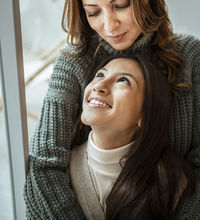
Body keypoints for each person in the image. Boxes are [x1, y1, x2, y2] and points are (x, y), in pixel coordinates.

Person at [24, 0, 200, 219]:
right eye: (93, 12)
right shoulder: (74, 61)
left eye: (121, 5)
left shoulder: (191, 56)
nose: (109, 25)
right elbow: (44, 165)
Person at [70, 55, 195, 220]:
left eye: (123, 80)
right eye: (100, 75)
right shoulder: (62, 168)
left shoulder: (172, 181)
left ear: (145, 113)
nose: (99, 85)